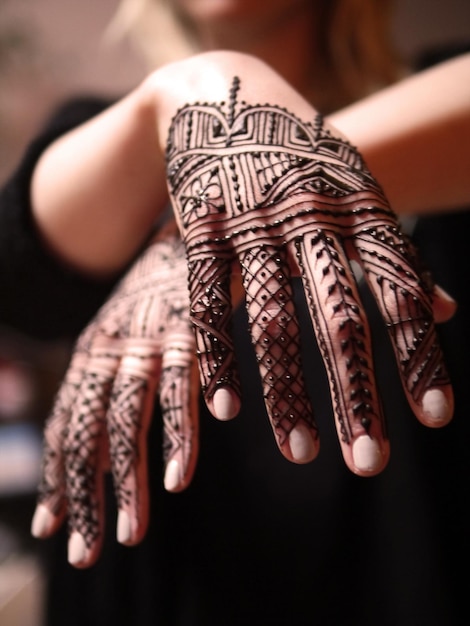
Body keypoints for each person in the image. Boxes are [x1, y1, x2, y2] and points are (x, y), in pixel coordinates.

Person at [0, 1, 469, 624]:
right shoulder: (100, 133)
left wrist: (198, 223)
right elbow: (21, 277)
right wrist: (191, 87)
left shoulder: (443, 81)